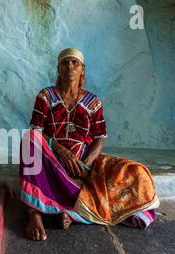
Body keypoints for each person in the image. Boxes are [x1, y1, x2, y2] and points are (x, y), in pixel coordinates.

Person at [20, 48, 160, 241]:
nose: (70, 66)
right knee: (29, 139)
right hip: (52, 158)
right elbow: (37, 129)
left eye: (75, 63)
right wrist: (61, 152)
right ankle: (35, 214)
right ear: (58, 68)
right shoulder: (46, 96)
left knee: (134, 172)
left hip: (85, 161)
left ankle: (70, 211)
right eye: (65, 62)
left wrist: (86, 164)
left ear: (82, 70)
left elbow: (99, 137)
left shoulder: (93, 101)